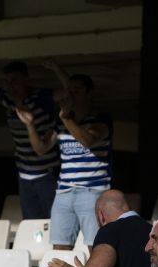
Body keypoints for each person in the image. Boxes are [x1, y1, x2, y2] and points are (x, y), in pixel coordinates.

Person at [21, 73, 112, 249]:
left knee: (96, 247)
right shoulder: (60, 124)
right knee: (60, 249)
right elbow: (41, 149)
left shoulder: (101, 120)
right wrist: (30, 125)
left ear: (89, 93)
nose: (70, 96)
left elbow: (88, 140)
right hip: (64, 193)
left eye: (76, 91)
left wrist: (66, 117)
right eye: (68, 91)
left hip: (92, 191)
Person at [0, 56, 62, 219]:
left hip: (47, 173)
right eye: (7, 81)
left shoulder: (41, 97)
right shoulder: (8, 99)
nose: (10, 85)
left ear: (27, 79)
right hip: (24, 176)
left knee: (54, 221)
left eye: (15, 80)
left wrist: (57, 69)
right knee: (31, 224)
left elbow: (68, 91)